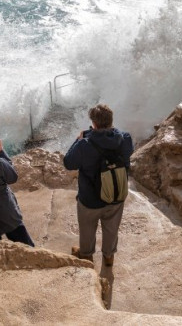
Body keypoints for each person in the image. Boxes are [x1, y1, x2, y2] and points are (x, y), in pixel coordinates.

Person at [63, 104, 133, 266]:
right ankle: (109, 256)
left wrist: (78, 140)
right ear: (111, 121)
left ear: (93, 123)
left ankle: (86, 256)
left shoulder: (84, 144)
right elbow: (125, 150)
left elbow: (68, 163)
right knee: (112, 227)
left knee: (87, 228)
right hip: (116, 194)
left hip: (90, 198)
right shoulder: (125, 138)